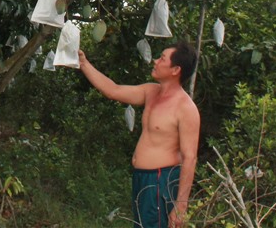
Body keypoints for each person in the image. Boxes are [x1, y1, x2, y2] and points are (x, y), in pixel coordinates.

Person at [77, 41, 200, 228]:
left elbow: (190, 158)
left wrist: (181, 206)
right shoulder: (151, 91)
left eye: (162, 59)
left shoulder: (185, 108)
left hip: (160, 181)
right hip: (141, 178)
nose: (155, 61)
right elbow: (113, 90)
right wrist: (84, 63)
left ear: (175, 69)